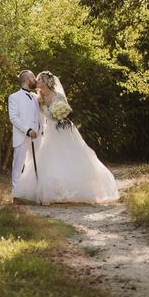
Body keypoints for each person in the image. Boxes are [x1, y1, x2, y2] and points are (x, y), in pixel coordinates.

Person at [14, 71, 119, 204]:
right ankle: (54, 191)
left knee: (69, 156)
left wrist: (49, 112)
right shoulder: (38, 98)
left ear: (46, 82)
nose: (36, 81)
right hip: (49, 131)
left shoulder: (58, 96)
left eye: (39, 80)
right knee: (50, 158)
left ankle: (74, 190)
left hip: (63, 130)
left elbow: (60, 115)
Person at [8, 70, 43, 205]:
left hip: (37, 137)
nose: (36, 80)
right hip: (22, 135)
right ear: (28, 80)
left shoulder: (35, 97)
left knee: (37, 165)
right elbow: (13, 117)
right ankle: (16, 196)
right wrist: (27, 130)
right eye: (34, 78)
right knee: (18, 165)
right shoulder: (14, 97)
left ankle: (35, 193)